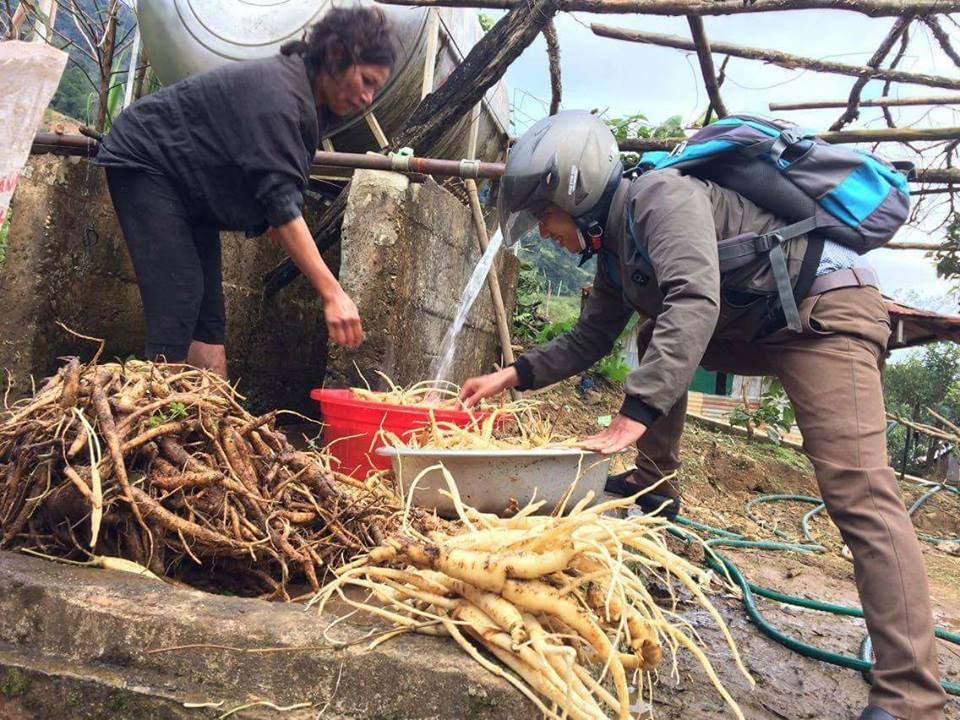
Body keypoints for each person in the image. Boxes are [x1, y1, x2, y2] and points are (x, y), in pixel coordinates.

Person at [460, 110, 946, 720]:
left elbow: (695, 296)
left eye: (544, 216)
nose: (544, 231)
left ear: (575, 195)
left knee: (859, 493)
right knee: (653, 323)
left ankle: (911, 696)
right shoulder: (614, 250)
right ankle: (654, 485)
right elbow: (592, 336)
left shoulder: (661, 195)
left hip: (826, 310)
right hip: (760, 317)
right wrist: (512, 374)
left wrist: (634, 414)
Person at [95, 7, 396, 376]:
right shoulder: (280, 95)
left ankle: (213, 421)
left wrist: (274, 218)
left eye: (375, 88)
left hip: (192, 189)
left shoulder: (308, 101)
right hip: (149, 163)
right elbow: (282, 206)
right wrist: (332, 293)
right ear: (336, 56)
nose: (367, 97)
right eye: (366, 80)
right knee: (181, 296)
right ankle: (155, 417)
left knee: (209, 317)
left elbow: (276, 196)